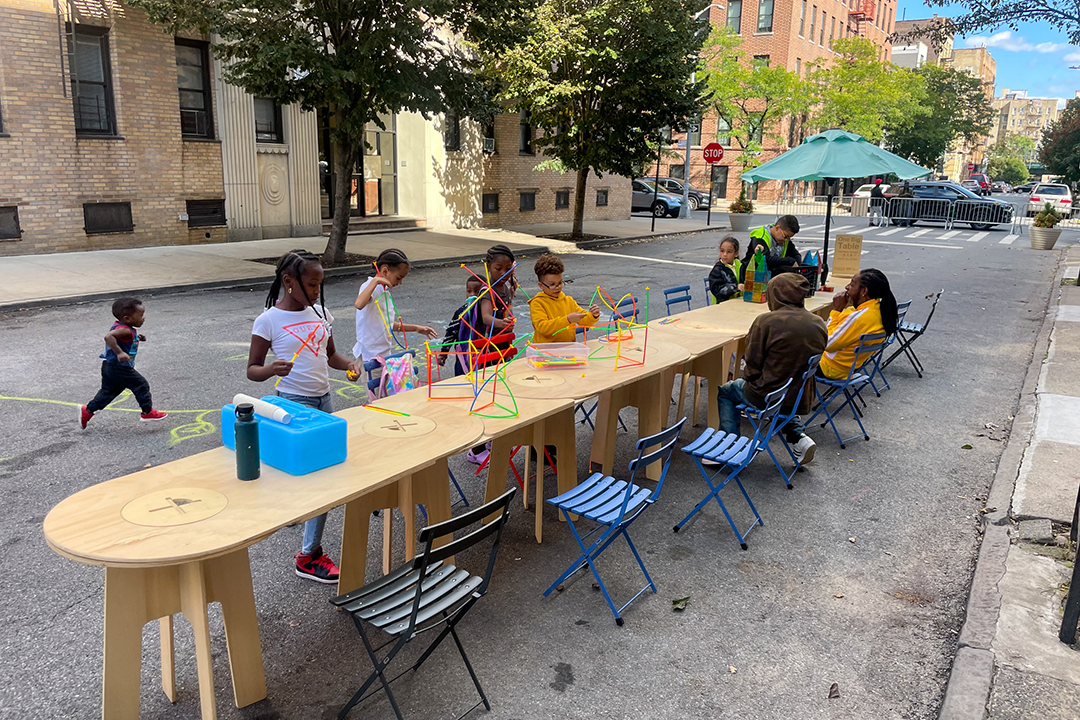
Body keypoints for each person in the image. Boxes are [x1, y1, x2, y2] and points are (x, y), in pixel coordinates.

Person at [246, 248, 361, 583]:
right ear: (288, 281)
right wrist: (269, 369)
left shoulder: (321, 313)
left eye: (319, 284)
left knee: (318, 475)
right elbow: (252, 370)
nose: (316, 291)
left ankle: (302, 525)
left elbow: (331, 356)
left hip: (324, 402)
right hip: (293, 406)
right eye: (312, 284)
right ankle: (309, 555)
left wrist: (350, 365)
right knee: (320, 480)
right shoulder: (268, 320)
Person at [715, 273, 827, 464]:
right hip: (800, 395)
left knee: (727, 391)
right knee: (781, 390)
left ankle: (729, 446)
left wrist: (750, 379)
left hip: (767, 395)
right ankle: (799, 437)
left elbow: (752, 367)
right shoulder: (818, 323)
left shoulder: (766, 322)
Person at [466, 245, 519, 465]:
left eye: (508, 268)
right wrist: (502, 322)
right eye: (498, 268)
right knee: (484, 393)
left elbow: (506, 308)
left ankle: (491, 439)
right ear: (488, 267)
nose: (503, 272)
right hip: (484, 348)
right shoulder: (487, 291)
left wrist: (511, 294)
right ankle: (475, 449)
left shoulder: (505, 287)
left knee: (498, 392)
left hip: (500, 346)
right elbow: (486, 317)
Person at [80, 297, 168, 428]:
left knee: (108, 392)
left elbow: (123, 338)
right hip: (120, 368)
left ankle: (88, 411)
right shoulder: (125, 330)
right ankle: (147, 412)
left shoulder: (125, 328)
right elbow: (108, 337)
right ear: (127, 318)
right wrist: (119, 352)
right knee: (141, 385)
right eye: (141, 316)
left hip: (109, 366)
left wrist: (137, 338)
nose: (143, 318)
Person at [353, 248, 437, 383]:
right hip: (371, 357)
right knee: (377, 401)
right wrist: (375, 281)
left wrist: (416, 328)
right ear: (385, 271)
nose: (400, 282)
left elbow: (388, 325)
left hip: (384, 356)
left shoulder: (384, 292)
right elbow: (359, 303)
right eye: (399, 277)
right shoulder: (370, 287)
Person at [819, 269, 899, 381]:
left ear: (864, 291)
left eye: (851, 284)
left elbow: (826, 343)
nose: (847, 287)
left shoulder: (860, 318)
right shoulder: (879, 310)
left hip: (830, 367)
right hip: (851, 367)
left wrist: (836, 310)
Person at [529, 253, 600, 343]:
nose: (557, 287)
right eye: (552, 284)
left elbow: (583, 320)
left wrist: (593, 315)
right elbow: (542, 327)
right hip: (546, 352)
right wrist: (567, 320)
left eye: (560, 283)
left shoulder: (568, 301)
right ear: (541, 285)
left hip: (568, 349)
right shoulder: (537, 303)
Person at [437, 276, 484, 368]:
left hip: (483, 353)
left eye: (477, 292)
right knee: (462, 378)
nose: (472, 295)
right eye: (469, 291)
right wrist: (443, 353)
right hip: (463, 354)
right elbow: (451, 332)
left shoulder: (488, 312)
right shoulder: (461, 312)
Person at [740, 214, 802, 282]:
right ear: (777, 228)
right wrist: (790, 261)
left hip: (770, 276)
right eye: (785, 236)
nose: (786, 240)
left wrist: (797, 267)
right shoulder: (761, 236)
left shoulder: (784, 239)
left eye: (789, 238)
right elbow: (765, 259)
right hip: (753, 276)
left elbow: (796, 255)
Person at [707, 236, 743, 303]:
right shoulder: (717, 270)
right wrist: (735, 287)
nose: (725, 254)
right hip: (722, 306)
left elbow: (752, 267)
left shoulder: (739, 265)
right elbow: (717, 291)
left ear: (736, 254)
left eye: (729, 252)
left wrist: (757, 253)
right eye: (722, 251)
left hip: (738, 303)